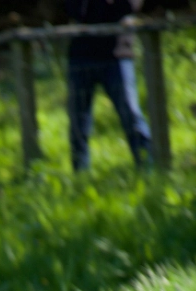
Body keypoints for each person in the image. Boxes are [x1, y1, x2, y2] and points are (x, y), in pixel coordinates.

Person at [66, 0, 152, 171]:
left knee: (131, 116)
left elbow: (127, 7)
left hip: (117, 55)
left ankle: (148, 168)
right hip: (81, 56)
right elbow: (73, 10)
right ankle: (80, 177)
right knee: (78, 122)